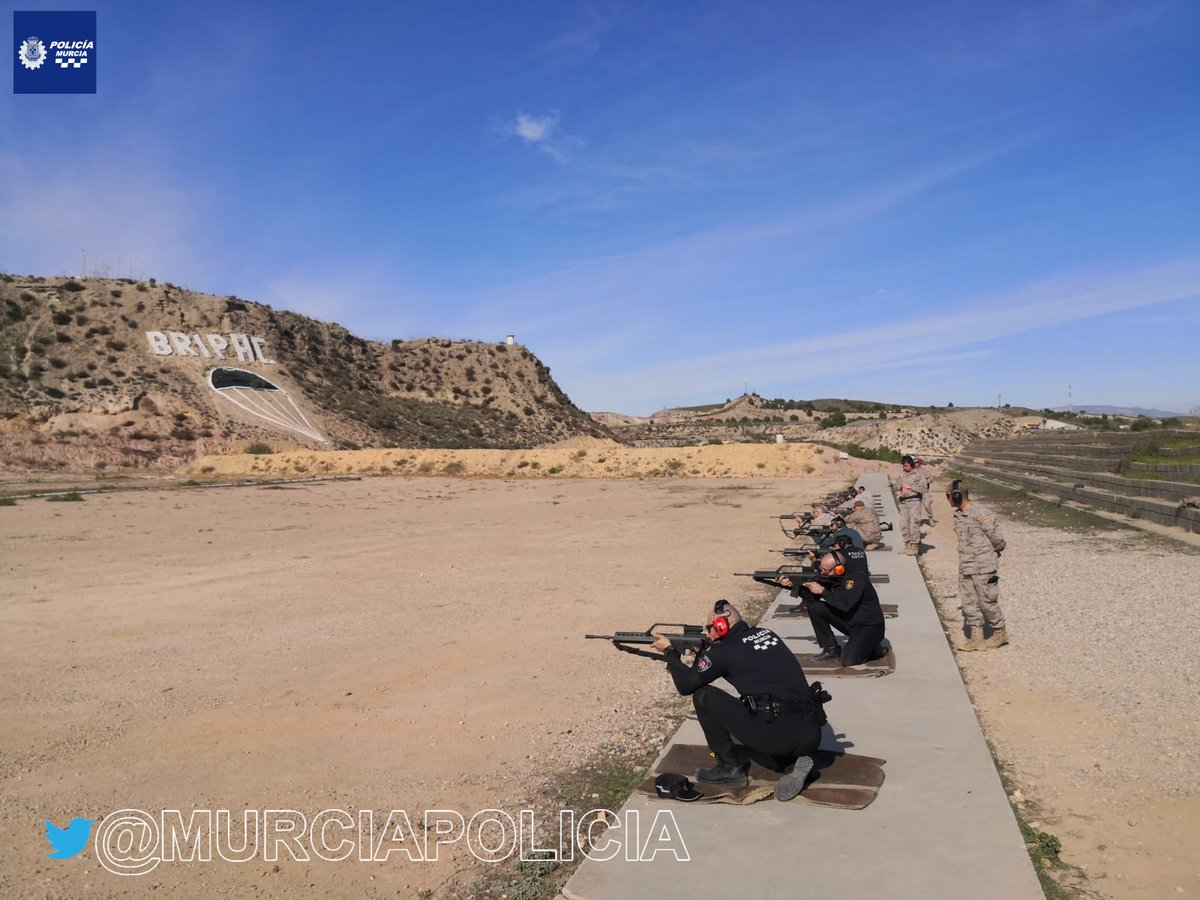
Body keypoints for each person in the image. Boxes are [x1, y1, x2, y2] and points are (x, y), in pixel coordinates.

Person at [653, 601, 824, 801]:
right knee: (767, 704)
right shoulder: (767, 634)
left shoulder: (723, 653)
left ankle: (729, 769)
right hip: (812, 732)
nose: (708, 633)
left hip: (778, 736)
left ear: (720, 626)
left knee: (704, 696)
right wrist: (704, 653)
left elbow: (686, 686)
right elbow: (745, 659)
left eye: (710, 628)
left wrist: (670, 652)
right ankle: (794, 762)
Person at [781, 548, 887, 666]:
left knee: (848, 661)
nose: (822, 572)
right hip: (851, 622)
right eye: (821, 568)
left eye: (825, 570)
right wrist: (791, 585)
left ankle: (874, 648)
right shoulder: (833, 577)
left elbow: (845, 605)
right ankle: (831, 649)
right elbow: (811, 598)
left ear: (839, 569)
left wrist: (822, 591)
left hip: (869, 627)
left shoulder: (855, 578)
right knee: (815, 607)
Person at [946, 479, 1008, 650]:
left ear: (958, 496)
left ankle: (999, 632)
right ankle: (976, 636)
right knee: (969, 602)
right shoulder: (958, 515)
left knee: (987, 601)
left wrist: (989, 556)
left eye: (948, 496)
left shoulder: (982, 513)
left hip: (983, 566)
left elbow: (998, 540)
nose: (947, 499)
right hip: (966, 565)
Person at [895, 455, 924, 555]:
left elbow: (924, 488)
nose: (905, 468)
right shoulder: (902, 475)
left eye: (906, 465)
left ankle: (915, 546)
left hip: (914, 501)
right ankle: (907, 545)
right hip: (904, 502)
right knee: (904, 524)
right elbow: (896, 486)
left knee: (914, 523)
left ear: (911, 464)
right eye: (903, 466)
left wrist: (910, 487)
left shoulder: (919, 474)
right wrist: (901, 487)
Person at [916, 459, 936, 525]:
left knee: (927, 505)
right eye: (914, 463)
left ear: (919, 463)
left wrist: (926, 482)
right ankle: (918, 520)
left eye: (916, 462)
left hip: (924, 491)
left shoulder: (924, 470)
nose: (915, 464)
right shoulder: (912, 471)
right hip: (915, 492)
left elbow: (931, 479)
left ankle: (930, 518)